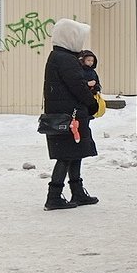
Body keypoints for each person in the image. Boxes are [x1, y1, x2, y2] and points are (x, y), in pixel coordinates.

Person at [42, 19, 99, 211]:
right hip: (71, 115)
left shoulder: (58, 57)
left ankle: (77, 191)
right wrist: (92, 104)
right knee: (67, 155)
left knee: (75, 153)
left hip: (66, 114)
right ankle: (54, 195)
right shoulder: (66, 60)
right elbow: (78, 86)